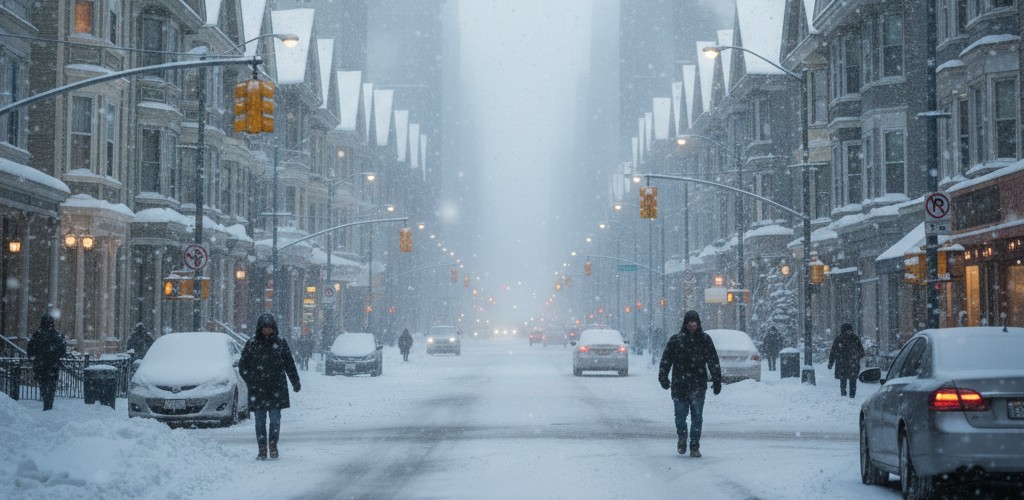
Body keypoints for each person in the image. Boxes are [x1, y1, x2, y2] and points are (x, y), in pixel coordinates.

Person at [658, 310, 722, 458]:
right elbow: (666, 360)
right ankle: (682, 435)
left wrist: (717, 379)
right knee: (680, 417)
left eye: (694, 325)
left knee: (697, 417)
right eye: (690, 325)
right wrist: (663, 376)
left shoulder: (705, 340)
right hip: (679, 385)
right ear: (685, 325)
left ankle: (694, 445)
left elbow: (713, 360)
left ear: (698, 324)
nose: (692, 327)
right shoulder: (676, 340)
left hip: (698, 385)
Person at [239, 313, 301, 460]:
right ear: (260, 329)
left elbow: (289, 364)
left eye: (269, 328)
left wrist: (295, 381)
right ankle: (262, 448)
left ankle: (273, 444)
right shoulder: (252, 344)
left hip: (276, 388)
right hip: (258, 390)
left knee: (275, 419)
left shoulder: (280, 343)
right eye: (264, 328)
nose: (267, 331)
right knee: (259, 421)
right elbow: (243, 366)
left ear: (274, 328)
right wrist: (251, 379)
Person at [27, 313, 67, 411]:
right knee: (52, 385)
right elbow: (63, 351)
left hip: (41, 365)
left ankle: (46, 402)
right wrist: (55, 355)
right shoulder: (57, 335)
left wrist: (38, 354)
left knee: (43, 384)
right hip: (53, 365)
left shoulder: (37, 335)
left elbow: (30, 351)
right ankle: (49, 403)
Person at [828, 323, 865, 398]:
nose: (849, 332)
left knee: (852, 380)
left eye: (850, 330)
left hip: (851, 363)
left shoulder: (855, 339)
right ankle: (843, 395)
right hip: (844, 364)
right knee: (843, 380)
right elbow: (833, 352)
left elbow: (862, 352)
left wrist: (857, 355)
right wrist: (830, 363)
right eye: (848, 330)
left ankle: (852, 396)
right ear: (844, 331)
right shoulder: (839, 339)